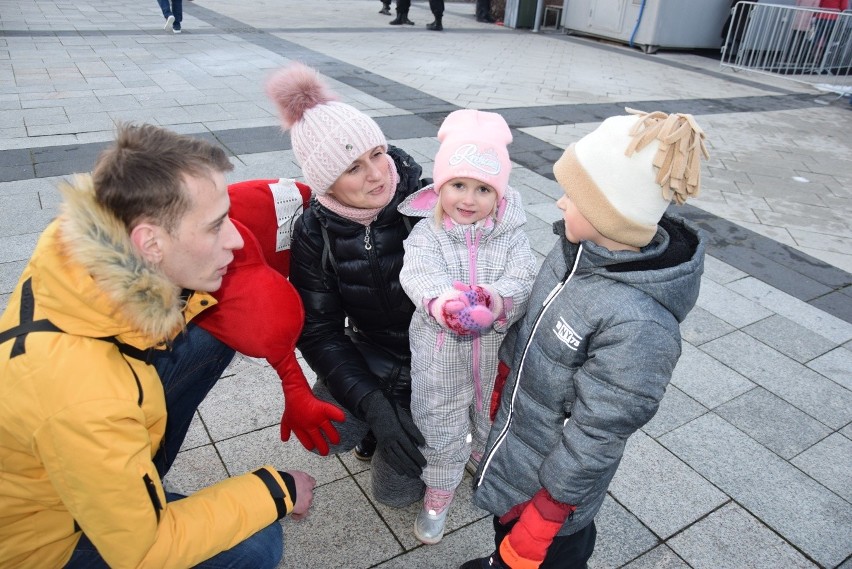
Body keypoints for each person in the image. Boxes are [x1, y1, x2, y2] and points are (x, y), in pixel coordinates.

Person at [0, 124, 315, 569]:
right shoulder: (87, 400)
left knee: (211, 330)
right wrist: (275, 490)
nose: (237, 238)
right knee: (259, 544)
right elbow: (146, 551)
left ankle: (133, 475)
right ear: (149, 243)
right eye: (215, 226)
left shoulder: (77, 244)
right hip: (44, 542)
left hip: (77, 445)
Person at [461, 108, 710, 569]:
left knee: (547, 558)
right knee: (506, 537)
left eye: (572, 195)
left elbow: (598, 433)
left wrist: (548, 513)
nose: (559, 203)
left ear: (606, 213)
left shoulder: (639, 326)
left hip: (552, 497)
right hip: (518, 447)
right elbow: (531, 326)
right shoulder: (572, 254)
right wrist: (502, 379)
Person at [265, 62, 429, 508]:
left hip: (439, 362)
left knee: (396, 495)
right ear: (326, 182)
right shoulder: (315, 230)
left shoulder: (428, 205)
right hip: (373, 353)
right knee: (326, 438)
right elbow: (319, 330)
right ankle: (378, 425)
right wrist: (374, 405)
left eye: (377, 153)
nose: (377, 174)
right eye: (353, 167)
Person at [398, 109, 536, 544]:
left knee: (490, 413)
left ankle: (480, 454)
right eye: (458, 184)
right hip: (441, 358)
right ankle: (439, 490)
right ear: (441, 187)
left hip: (493, 354)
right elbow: (416, 274)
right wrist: (445, 303)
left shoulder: (511, 235)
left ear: (500, 194)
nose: (469, 198)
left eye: (483, 189)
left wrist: (494, 300)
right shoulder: (428, 234)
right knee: (440, 424)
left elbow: (525, 275)